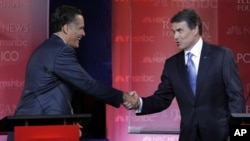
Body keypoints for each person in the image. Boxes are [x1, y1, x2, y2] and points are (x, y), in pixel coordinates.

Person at [7, 5, 136, 141]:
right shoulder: (60, 51)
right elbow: (88, 84)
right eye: (80, 28)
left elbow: (56, 94)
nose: (84, 33)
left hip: (34, 128)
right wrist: (124, 97)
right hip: (36, 130)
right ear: (66, 28)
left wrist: (69, 122)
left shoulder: (49, 48)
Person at [124, 8, 246, 141]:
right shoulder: (172, 64)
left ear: (195, 29)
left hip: (220, 136)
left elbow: (236, 98)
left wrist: (236, 135)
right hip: (188, 136)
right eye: (173, 32)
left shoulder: (222, 56)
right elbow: (162, 99)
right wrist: (138, 103)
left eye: (180, 30)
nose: (175, 36)